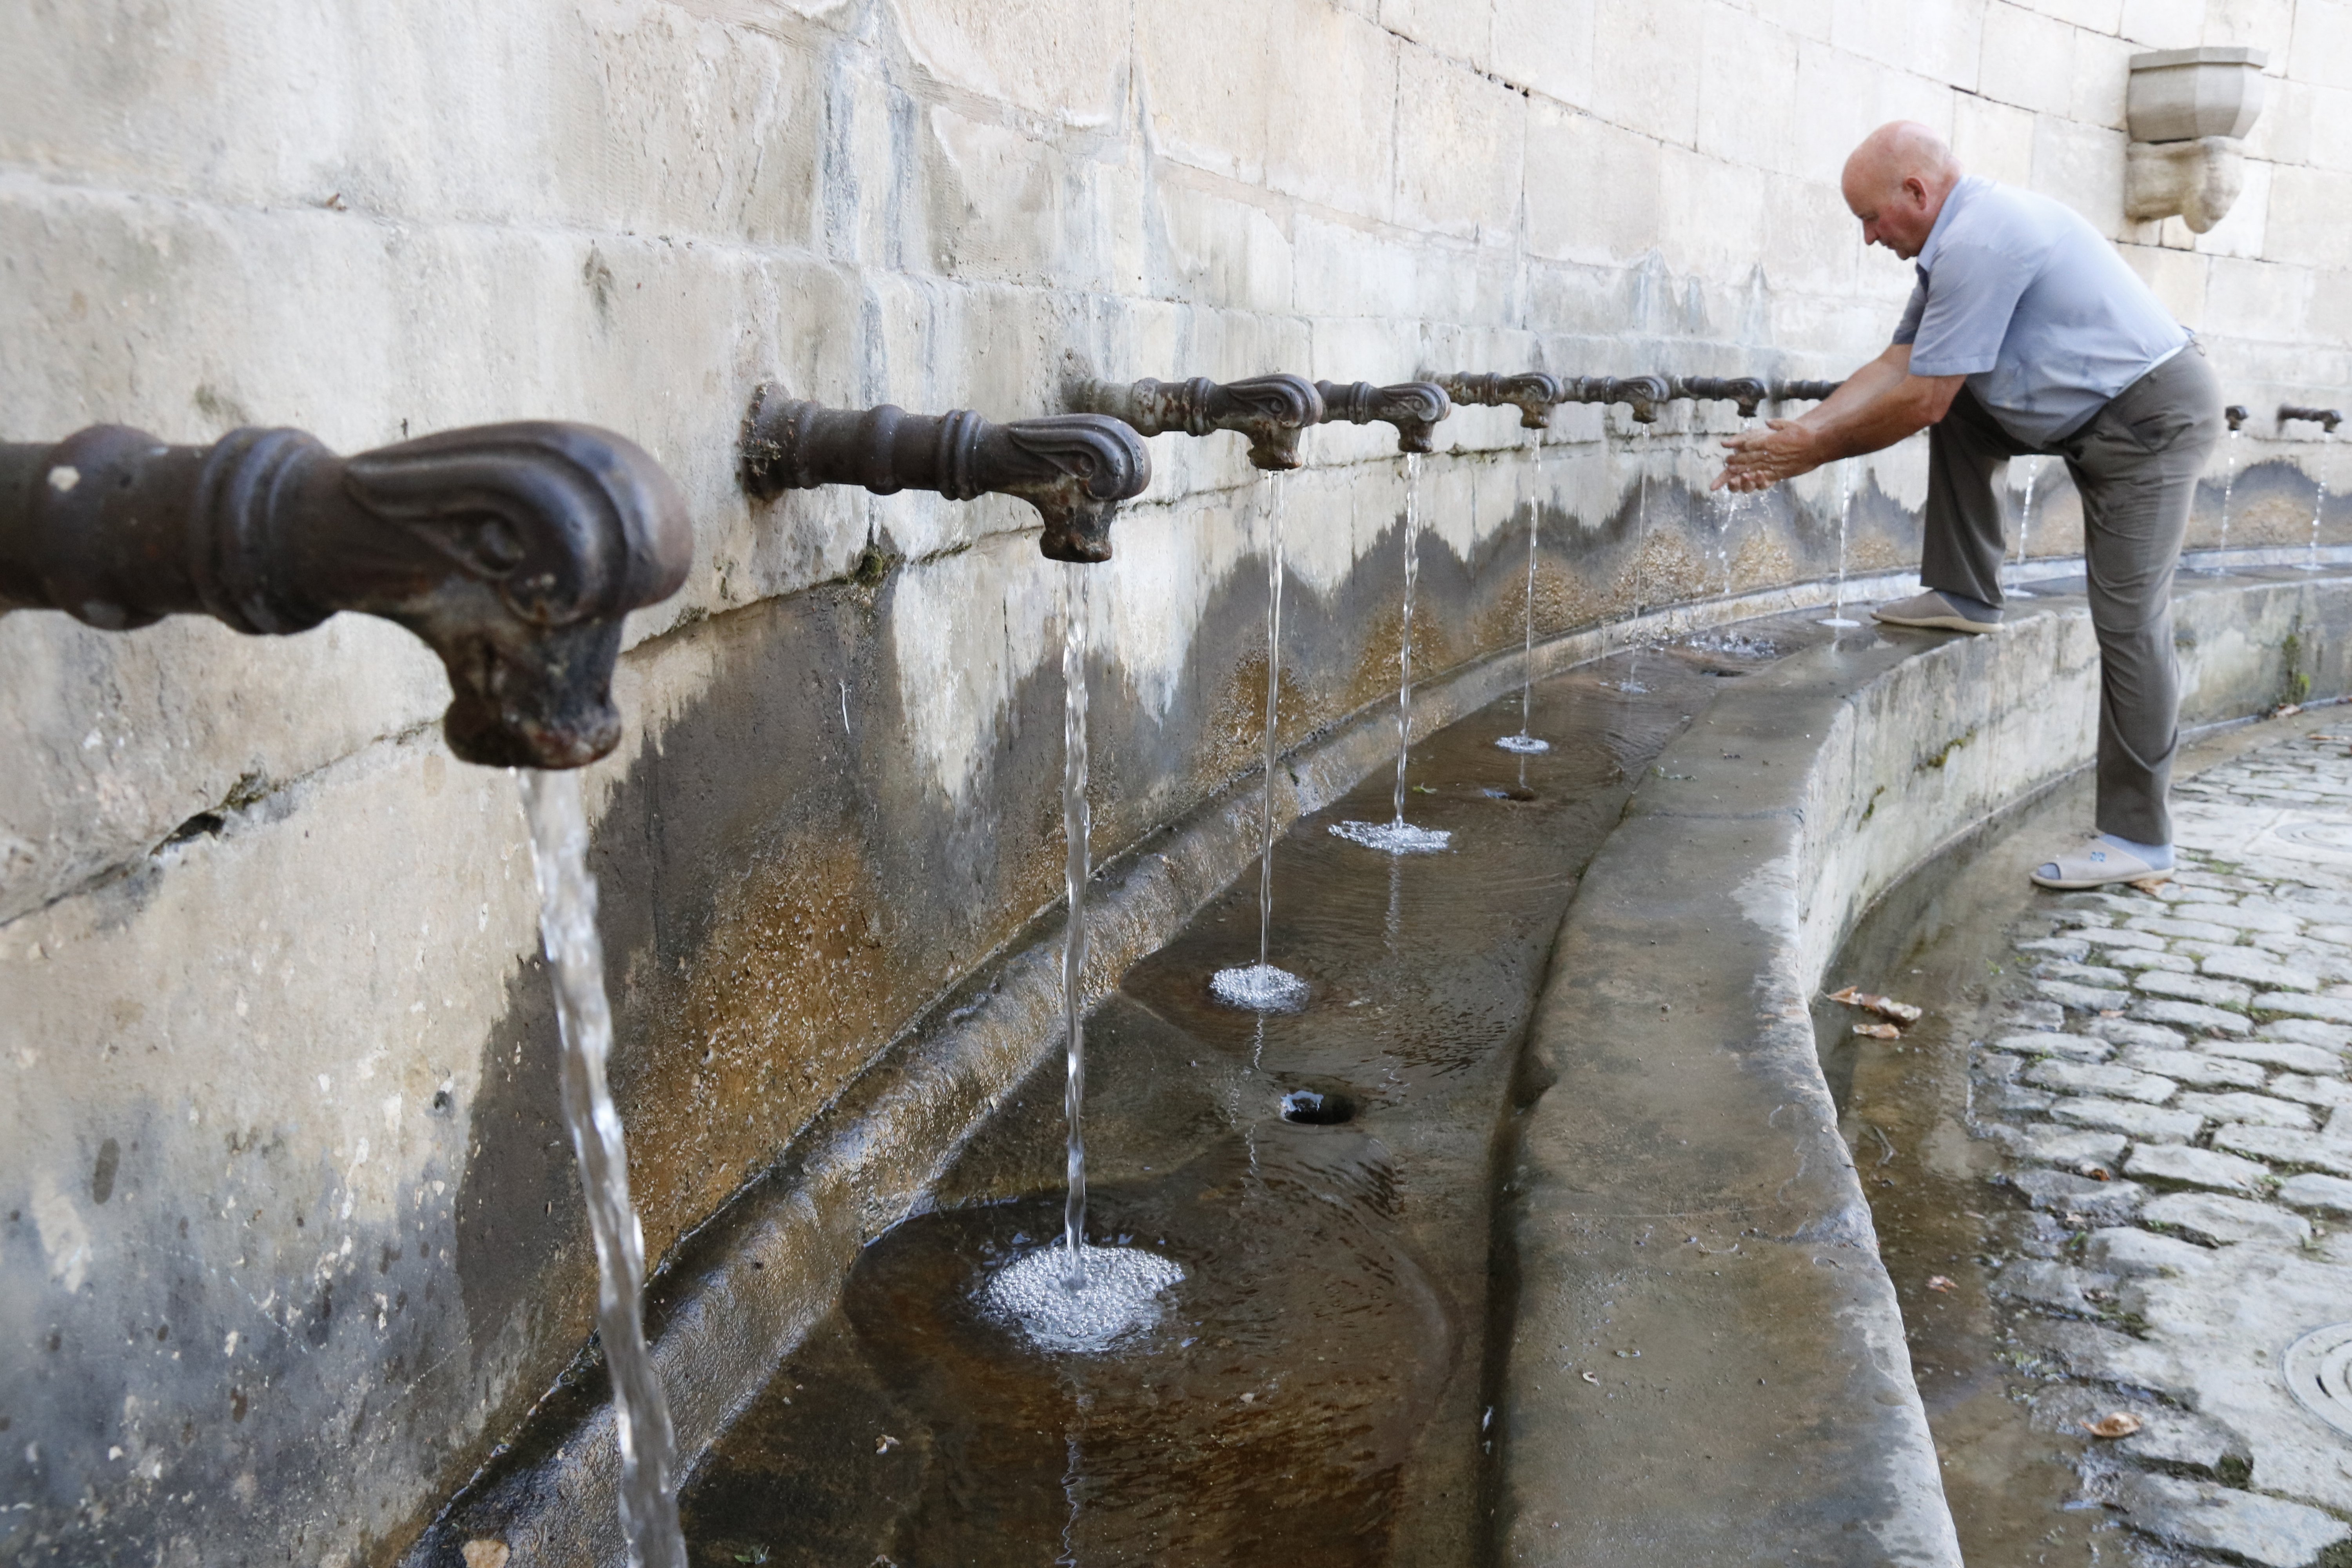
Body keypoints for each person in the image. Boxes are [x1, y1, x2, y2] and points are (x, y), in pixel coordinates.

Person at [1715, 121, 2220, 891]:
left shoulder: (1984, 239)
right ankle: (1963, 590)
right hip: (2089, 413)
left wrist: (1814, 453)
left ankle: (2139, 836)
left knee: (2129, 620)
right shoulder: (1953, 243)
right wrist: (1805, 431)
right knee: (1955, 396)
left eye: (1872, 218)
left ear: (1916, 193)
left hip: (2150, 423)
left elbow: (1920, 400)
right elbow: (1898, 363)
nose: (1868, 238)